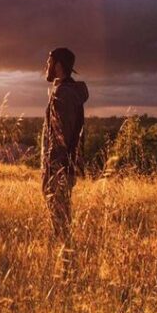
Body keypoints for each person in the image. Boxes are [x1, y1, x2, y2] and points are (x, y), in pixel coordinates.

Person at [41, 47, 89, 262]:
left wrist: (54, 170)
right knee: (60, 217)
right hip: (62, 166)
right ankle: (64, 259)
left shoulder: (64, 94)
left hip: (59, 167)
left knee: (60, 219)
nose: (46, 66)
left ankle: (66, 262)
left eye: (49, 62)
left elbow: (61, 136)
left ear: (58, 65)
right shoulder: (64, 92)